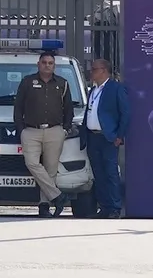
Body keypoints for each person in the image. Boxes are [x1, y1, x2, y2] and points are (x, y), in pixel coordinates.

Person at [13, 51, 74, 218]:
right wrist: (21, 129)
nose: (47, 65)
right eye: (44, 62)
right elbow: (18, 108)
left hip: (55, 131)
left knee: (51, 170)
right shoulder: (27, 82)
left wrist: (65, 129)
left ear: (54, 66)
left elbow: (69, 109)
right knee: (32, 163)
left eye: (50, 63)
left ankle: (44, 206)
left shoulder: (62, 83)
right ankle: (58, 196)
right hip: (31, 131)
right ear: (38, 64)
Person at [82, 59, 130, 219]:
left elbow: (125, 113)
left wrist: (119, 135)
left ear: (103, 70)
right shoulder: (93, 90)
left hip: (108, 138)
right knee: (99, 174)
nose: (91, 72)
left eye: (94, 69)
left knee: (110, 173)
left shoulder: (116, 88)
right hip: (92, 137)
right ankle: (104, 207)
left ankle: (115, 208)